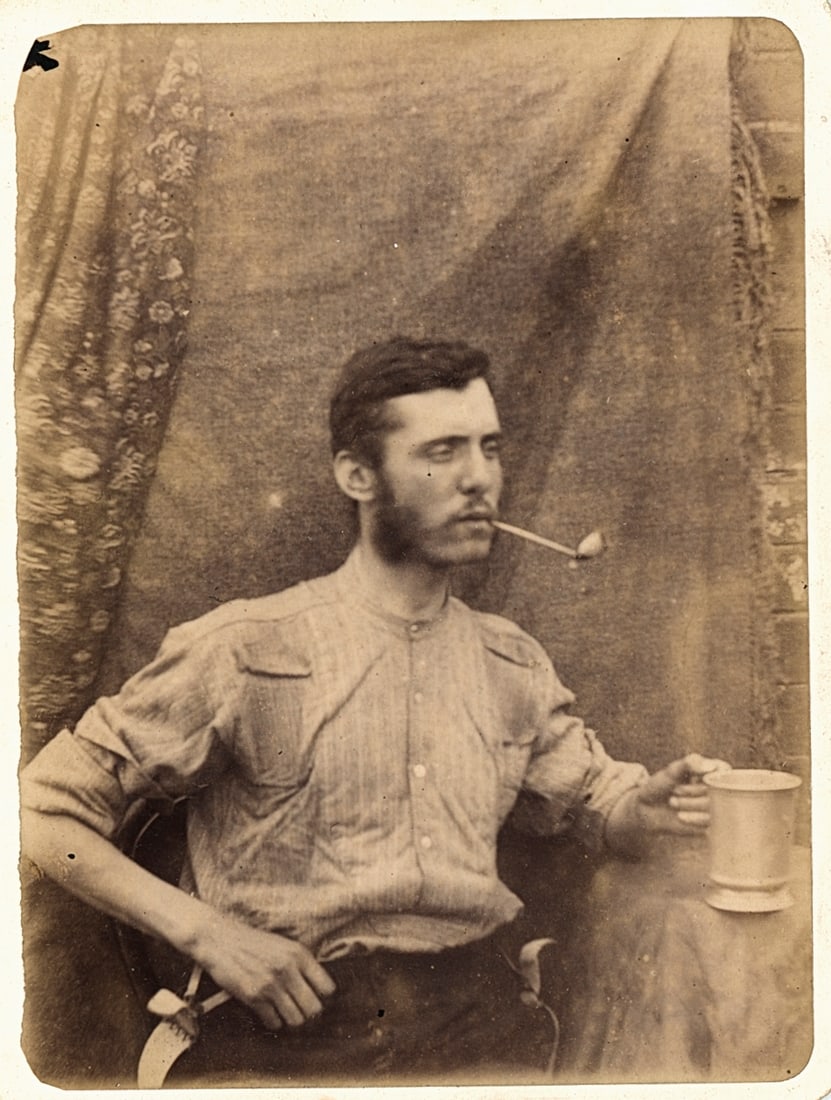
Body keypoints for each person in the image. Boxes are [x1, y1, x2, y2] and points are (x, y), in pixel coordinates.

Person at [21, 336, 728, 1086]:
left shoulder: (510, 664)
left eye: (488, 448)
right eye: (443, 451)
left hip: (484, 1036)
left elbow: (598, 804)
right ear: (357, 475)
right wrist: (208, 933)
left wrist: (644, 809)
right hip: (280, 1048)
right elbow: (40, 816)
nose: (479, 479)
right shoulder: (245, 649)